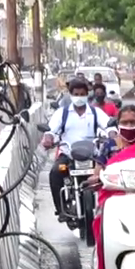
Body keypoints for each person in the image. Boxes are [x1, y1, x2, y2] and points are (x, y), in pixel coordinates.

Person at [90, 105, 135, 269]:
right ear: (118, 123)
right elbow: (98, 170)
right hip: (114, 197)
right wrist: (95, 178)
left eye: (133, 122)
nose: (129, 126)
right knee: (99, 227)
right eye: (125, 122)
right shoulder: (109, 146)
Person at [42, 78, 114, 217]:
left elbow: (109, 125)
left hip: (92, 155)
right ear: (71, 94)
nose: (79, 97)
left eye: (82, 94)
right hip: (68, 155)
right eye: (76, 94)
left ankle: (108, 208)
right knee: (55, 173)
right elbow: (50, 130)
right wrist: (49, 138)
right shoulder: (61, 113)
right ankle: (61, 210)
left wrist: (112, 134)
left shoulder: (95, 112)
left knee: (108, 174)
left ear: (87, 95)